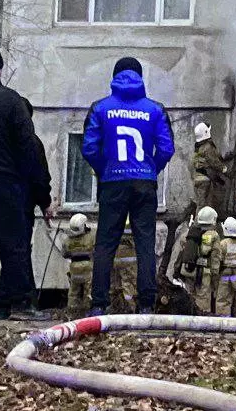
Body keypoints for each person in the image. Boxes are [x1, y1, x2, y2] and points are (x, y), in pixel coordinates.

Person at [82, 57, 175, 316]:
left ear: (114, 76)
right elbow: (167, 148)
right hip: (144, 183)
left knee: (105, 243)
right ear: (140, 76)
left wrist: (106, 170)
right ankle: (146, 304)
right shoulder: (155, 109)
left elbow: (89, 147)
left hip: (113, 182)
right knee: (145, 243)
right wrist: (150, 170)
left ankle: (99, 304)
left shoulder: (100, 108)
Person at [0, 48, 50, 320]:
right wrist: (26, 185)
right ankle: (2, 308)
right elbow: (28, 148)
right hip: (3, 183)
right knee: (14, 249)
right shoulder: (11, 101)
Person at [22, 97, 53, 296]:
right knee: (19, 253)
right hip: (21, 206)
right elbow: (40, 177)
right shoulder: (31, 142)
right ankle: (22, 300)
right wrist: (45, 204)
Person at [176, 206, 221, 314]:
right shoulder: (214, 236)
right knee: (202, 302)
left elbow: (182, 252)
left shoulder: (189, 233)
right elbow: (215, 258)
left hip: (188, 270)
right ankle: (203, 326)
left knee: (189, 298)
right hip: (204, 274)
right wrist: (215, 277)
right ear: (213, 220)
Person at [191, 122, 232, 213]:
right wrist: (225, 170)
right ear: (206, 132)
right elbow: (214, 161)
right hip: (205, 179)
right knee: (205, 205)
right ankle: (200, 224)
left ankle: (201, 223)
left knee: (202, 203)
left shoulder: (199, 147)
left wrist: (225, 158)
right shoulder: (208, 147)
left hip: (198, 178)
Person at [62, 214, 94, 315]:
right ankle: (86, 312)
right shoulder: (91, 237)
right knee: (88, 290)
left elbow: (65, 254)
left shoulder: (68, 240)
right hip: (88, 267)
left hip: (74, 268)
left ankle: (72, 312)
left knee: (74, 292)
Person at [111, 218, 137, 313]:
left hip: (115, 254)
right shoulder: (132, 216)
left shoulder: (115, 213)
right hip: (128, 255)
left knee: (116, 285)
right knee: (129, 284)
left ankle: (116, 309)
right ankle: (130, 310)